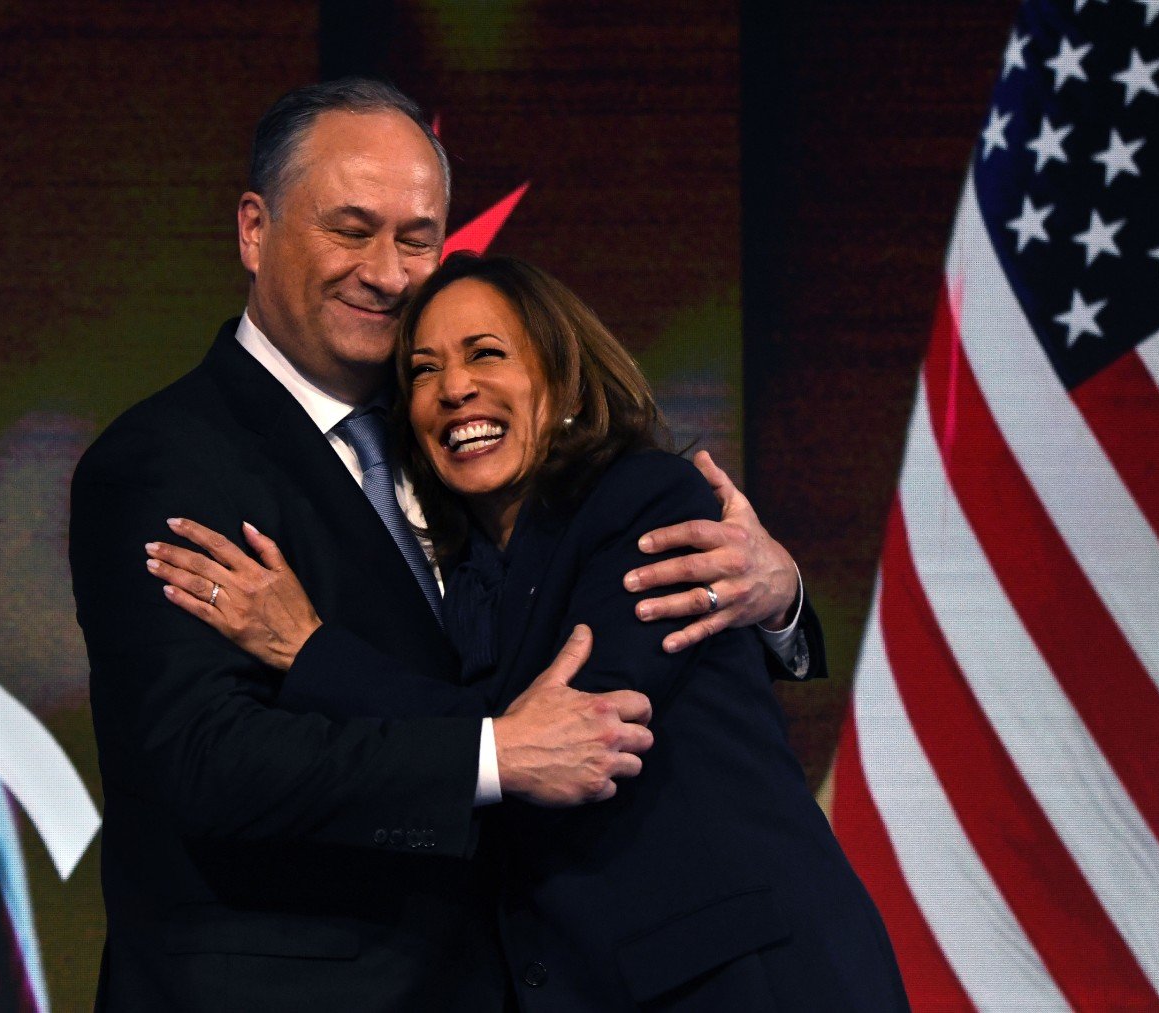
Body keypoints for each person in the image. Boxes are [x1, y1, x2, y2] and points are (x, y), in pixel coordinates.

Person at [73, 77, 821, 1011]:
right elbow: (205, 758)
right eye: (351, 229)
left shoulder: (468, 448)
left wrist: (782, 593)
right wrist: (493, 755)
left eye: (417, 237)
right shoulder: (166, 458)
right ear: (254, 230)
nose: (387, 272)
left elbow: (567, 686)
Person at [153, 254, 903, 1010]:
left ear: (565, 382)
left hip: (749, 981)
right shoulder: (463, 581)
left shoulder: (645, 499)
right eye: (421, 371)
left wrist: (312, 652)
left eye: (486, 353)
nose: (453, 389)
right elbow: (504, 743)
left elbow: (572, 735)